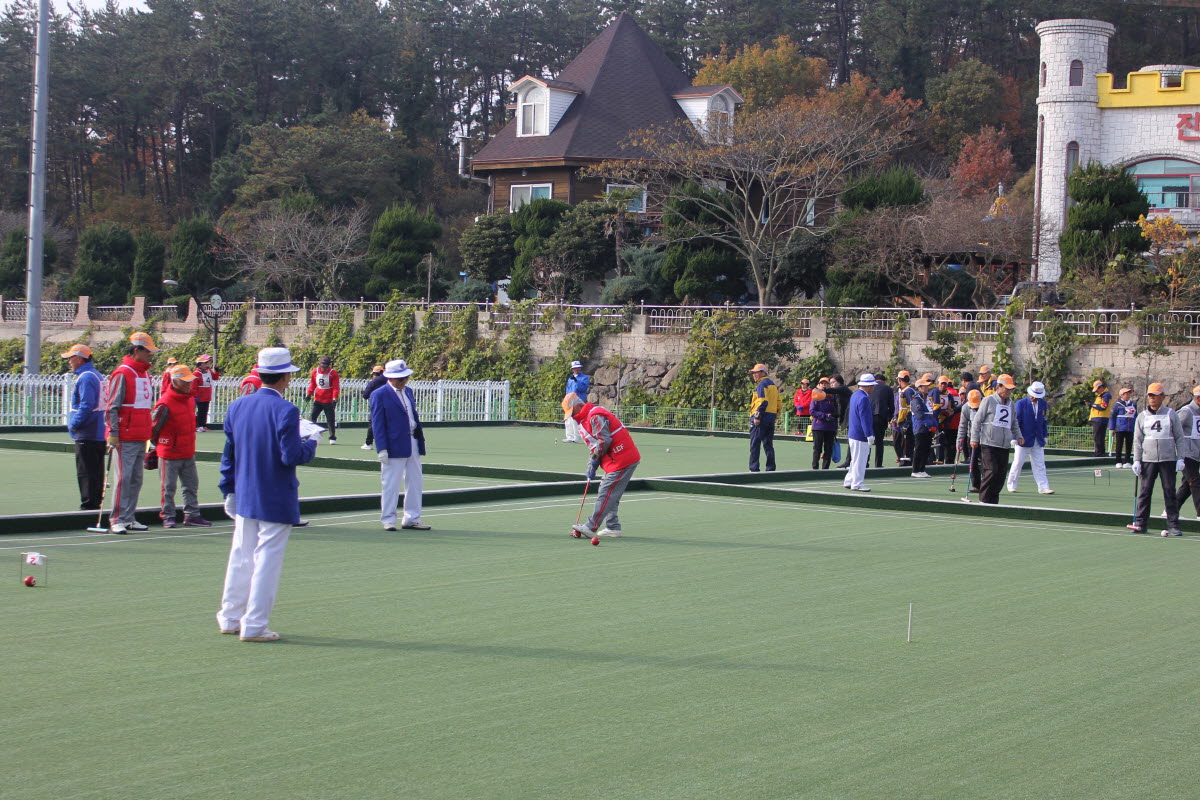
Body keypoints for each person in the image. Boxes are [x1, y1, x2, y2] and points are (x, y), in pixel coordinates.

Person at [216, 346, 319, 642]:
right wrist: (310, 442)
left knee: (241, 555)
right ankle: (255, 624)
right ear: (285, 377)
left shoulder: (238, 406)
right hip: (274, 493)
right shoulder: (286, 410)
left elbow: (229, 455)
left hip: (245, 491)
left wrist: (229, 489)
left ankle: (230, 616)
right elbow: (291, 456)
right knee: (267, 560)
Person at [105, 331, 159, 534]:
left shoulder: (143, 373)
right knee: (123, 478)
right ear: (137, 350)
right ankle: (116, 518)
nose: (150, 355)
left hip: (140, 434)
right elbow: (112, 405)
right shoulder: (122, 372)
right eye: (147, 351)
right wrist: (113, 431)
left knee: (136, 478)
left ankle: (129, 516)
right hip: (124, 435)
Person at [566, 393, 641, 538]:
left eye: (572, 412)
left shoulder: (594, 416)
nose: (572, 416)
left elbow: (603, 441)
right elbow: (594, 445)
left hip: (622, 458)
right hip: (616, 460)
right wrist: (591, 463)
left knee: (606, 492)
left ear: (577, 406)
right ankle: (613, 527)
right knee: (608, 492)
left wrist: (595, 461)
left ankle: (590, 526)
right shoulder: (586, 420)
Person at [370, 359, 429, 531]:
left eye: (406, 377)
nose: (404, 381)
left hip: (412, 440)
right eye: (401, 378)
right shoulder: (379, 394)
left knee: (415, 481)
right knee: (390, 483)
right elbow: (377, 423)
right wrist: (381, 448)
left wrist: (419, 439)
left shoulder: (408, 391)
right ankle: (388, 518)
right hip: (393, 443)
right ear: (391, 378)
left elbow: (413, 416)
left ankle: (412, 518)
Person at [151, 365, 211, 528]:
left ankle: (192, 515)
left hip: (187, 450)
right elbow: (154, 429)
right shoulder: (164, 403)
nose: (189, 384)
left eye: (189, 381)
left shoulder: (190, 399)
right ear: (175, 381)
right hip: (169, 452)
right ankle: (168, 516)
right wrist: (160, 447)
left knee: (191, 485)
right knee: (168, 488)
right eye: (185, 382)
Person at [1128, 382, 1184, 535]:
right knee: (1145, 492)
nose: (1152, 398)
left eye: (1155, 395)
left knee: (1169, 491)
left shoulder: (1171, 414)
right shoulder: (1142, 416)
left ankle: (1173, 525)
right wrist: (1137, 460)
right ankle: (1140, 523)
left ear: (1162, 397)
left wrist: (1181, 458)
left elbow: (1179, 437)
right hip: (1148, 460)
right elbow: (1137, 440)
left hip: (1168, 459)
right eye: (1150, 395)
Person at [970, 373, 1025, 505]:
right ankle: (984, 500)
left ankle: (994, 500)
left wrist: (1019, 435)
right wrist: (974, 438)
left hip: (1004, 444)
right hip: (989, 443)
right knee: (991, 471)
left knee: (1000, 475)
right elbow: (977, 421)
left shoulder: (1011, 404)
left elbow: (1014, 422)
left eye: (1011, 389)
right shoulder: (988, 401)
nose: (1009, 391)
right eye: (1006, 388)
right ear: (998, 386)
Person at [63, 343, 106, 511]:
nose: (69, 362)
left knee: (86, 472)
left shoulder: (86, 377)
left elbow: (86, 405)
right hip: (97, 431)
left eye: (71, 358)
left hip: (87, 432)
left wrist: (74, 425)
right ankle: (94, 504)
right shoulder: (96, 375)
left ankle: (88, 506)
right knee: (95, 472)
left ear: (80, 358)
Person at [1006, 381, 1054, 495]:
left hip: (1038, 439)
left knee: (1040, 464)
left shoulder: (1043, 403)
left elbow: (1043, 421)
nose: (1033, 397)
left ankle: (1043, 487)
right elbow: (1016, 421)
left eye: (1036, 395)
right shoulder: (1021, 403)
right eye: (1032, 394)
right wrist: (1015, 436)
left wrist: (1045, 435)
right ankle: (1011, 484)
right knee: (1018, 462)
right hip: (1023, 438)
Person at [843, 373, 876, 492]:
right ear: (867, 386)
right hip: (860, 434)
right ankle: (857, 483)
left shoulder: (855, 395)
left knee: (855, 459)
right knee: (860, 460)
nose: (873, 388)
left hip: (853, 433)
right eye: (872, 386)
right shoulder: (864, 398)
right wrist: (869, 434)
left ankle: (849, 480)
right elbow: (865, 418)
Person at [748, 362, 780, 472]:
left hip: (761, 416)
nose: (754, 375)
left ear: (763, 372)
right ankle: (771, 468)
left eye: (756, 372)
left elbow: (762, 401)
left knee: (755, 444)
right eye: (753, 373)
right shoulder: (773, 385)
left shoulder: (762, 385)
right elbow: (778, 402)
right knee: (768, 444)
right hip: (771, 417)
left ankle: (754, 468)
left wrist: (757, 416)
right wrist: (776, 415)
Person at [1175, 385, 1200, 520]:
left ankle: (1170, 510)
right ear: (1198, 399)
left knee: (1186, 485)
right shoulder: (1186, 411)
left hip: (1196, 454)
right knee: (1196, 481)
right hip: (1185, 453)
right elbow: (1173, 429)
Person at [307, 355, 340, 444]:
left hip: (328, 400)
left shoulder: (333, 373)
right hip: (318, 399)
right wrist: (309, 394)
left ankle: (332, 437)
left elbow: (336, 387)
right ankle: (311, 434)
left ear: (329, 365)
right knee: (312, 417)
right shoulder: (315, 371)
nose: (323, 368)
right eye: (322, 366)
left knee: (330, 420)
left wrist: (334, 398)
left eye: (325, 366)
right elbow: (313, 384)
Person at [956, 389, 984, 494]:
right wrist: (959, 442)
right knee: (973, 462)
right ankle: (976, 485)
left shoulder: (986, 405)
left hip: (985, 437)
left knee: (987, 463)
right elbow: (962, 426)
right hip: (972, 438)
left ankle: (986, 485)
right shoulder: (965, 408)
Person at [908, 377, 936, 478]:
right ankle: (915, 470)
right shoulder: (916, 400)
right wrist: (929, 425)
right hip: (920, 428)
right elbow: (920, 415)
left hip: (928, 428)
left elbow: (931, 414)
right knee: (919, 449)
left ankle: (922, 469)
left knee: (926, 449)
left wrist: (934, 425)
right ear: (919, 388)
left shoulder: (927, 399)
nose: (927, 388)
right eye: (924, 386)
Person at [826, 374, 852, 468]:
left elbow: (834, 390)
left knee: (852, 441)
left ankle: (849, 462)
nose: (832, 384)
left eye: (833, 382)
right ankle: (849, 461)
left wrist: (822, 389)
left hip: (852, 418)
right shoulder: (837, 394)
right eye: (831, 383)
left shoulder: (843, 388)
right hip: (846, 418)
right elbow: (839, 409)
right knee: (852, 441)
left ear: (839, 382)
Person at [809, 386, 837, 469]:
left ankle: (825, 469)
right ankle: (815, 468)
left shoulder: (833, 397)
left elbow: (837, 411)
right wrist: (824, 416)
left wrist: (832, 416)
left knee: (828, 449)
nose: (823, 386)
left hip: (830, 427)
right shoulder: (815, 397)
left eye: (826, 384)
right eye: (821, 383)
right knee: (817, 448)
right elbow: (812, 411)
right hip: (818, 427)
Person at [360, 364, 387, 450]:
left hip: (376, 405)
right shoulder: (389, 381)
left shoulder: (373, 382)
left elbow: (365, 395)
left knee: (373, 424)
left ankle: (369, 443)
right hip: (388, 404)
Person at [1109, 385, 1136, 468]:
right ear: (1121, 395)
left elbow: (1135, 416)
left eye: (1129, 394)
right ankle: (1118, 461)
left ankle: (1127, 461)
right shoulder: (1117, 405)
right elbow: (1112, 417)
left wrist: (1135, 426)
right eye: (1126, 393)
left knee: (1129, 445)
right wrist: (1112, 428)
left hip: (1130, 428)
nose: (1128, 395)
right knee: (1119, 445)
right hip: (1120, 428)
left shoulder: (1133, 404)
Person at [563, 361, 591, 443]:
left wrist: (577, 382)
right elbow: (568, 390)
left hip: (578, 400)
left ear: (580, 368)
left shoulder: (584, 378)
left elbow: (583, 389)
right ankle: (569, 436)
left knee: (576, 418)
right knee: (568, 419)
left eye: (578, 368)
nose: (576, 369)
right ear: (572, 369)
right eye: (575, 368)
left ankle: (577, 436)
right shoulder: (570, 379)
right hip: (569, 400)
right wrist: (566, 399)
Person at [870, 372, 893, 468]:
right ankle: (878, 464)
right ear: (884, 381)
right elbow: (891, 406)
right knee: (879, 442)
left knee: (867, 442)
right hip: (880, 417)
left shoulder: (870, 387)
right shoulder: (888, 388)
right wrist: (889, 418)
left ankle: (865, 463)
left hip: (869, 417)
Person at [937, 376, 961, 465]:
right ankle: (944, 462)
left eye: (945, 384)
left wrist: (945, 419)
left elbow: (952, 409)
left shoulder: (949, 395)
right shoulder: (956, 393)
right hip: (947, 422)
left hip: (947, 422)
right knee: (947, 444)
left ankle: (944, 461)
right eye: (942, 384)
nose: (943, 386)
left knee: (944, 443)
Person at [192, 354, 220, 432]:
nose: (207, 364)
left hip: (207, 393)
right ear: (200, 364)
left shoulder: (208, 371)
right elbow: (194, 386)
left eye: (207, 362)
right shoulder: (196, 373)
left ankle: (203, 425)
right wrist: (195, 396)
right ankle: (198, 425)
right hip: (200, 394)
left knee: (205, 410)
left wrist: (217, 371)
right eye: (205, 362)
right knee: (200, 410)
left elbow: (215, 377)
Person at [892, 371, 914, 465]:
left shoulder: (908, 391)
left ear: (899, 380)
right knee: (898, 443)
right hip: (900, 421)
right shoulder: (901, 390)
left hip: (905, 422)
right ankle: (903, 461)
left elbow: (910, 407)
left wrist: (907, 422)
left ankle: (906, 463)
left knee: (906, 445)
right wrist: (895, 417)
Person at [1089, 379, 1112, 456]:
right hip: (1098, 417)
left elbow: (1103, 407)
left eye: (1097, 390)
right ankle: (1100, 452)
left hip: (1100, 418)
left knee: (1098, 436)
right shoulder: (1101, 396)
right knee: (1098, 436)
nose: (1096, 392)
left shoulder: (1106, 395)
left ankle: (1099, 453)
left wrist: (1092, 405)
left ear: (1100, 387)